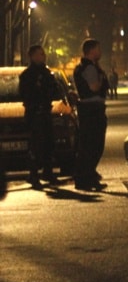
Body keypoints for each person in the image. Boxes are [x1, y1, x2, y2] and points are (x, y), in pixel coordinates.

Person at [18, 45, 63, 188]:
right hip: (35, 113)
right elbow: (25, 94)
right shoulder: (27, 75)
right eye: (39, 54)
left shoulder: (47, 73)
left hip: (45, 112)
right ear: (32, 56)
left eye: (43, 54)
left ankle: (47, 172)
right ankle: (33, 174)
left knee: (49, 143)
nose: (43, 56)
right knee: (36, 145)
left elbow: (54, 91)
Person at [72, 39, 110, 191]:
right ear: (91, 50)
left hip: (87, 109)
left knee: (87, 145)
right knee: (94, 145)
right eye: (98, 49)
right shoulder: (90, 68)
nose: (100, 52)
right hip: (93, 110)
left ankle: (86, 177)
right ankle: (86, 177)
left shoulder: (81, 67)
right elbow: (94, 87)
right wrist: (101, 80)